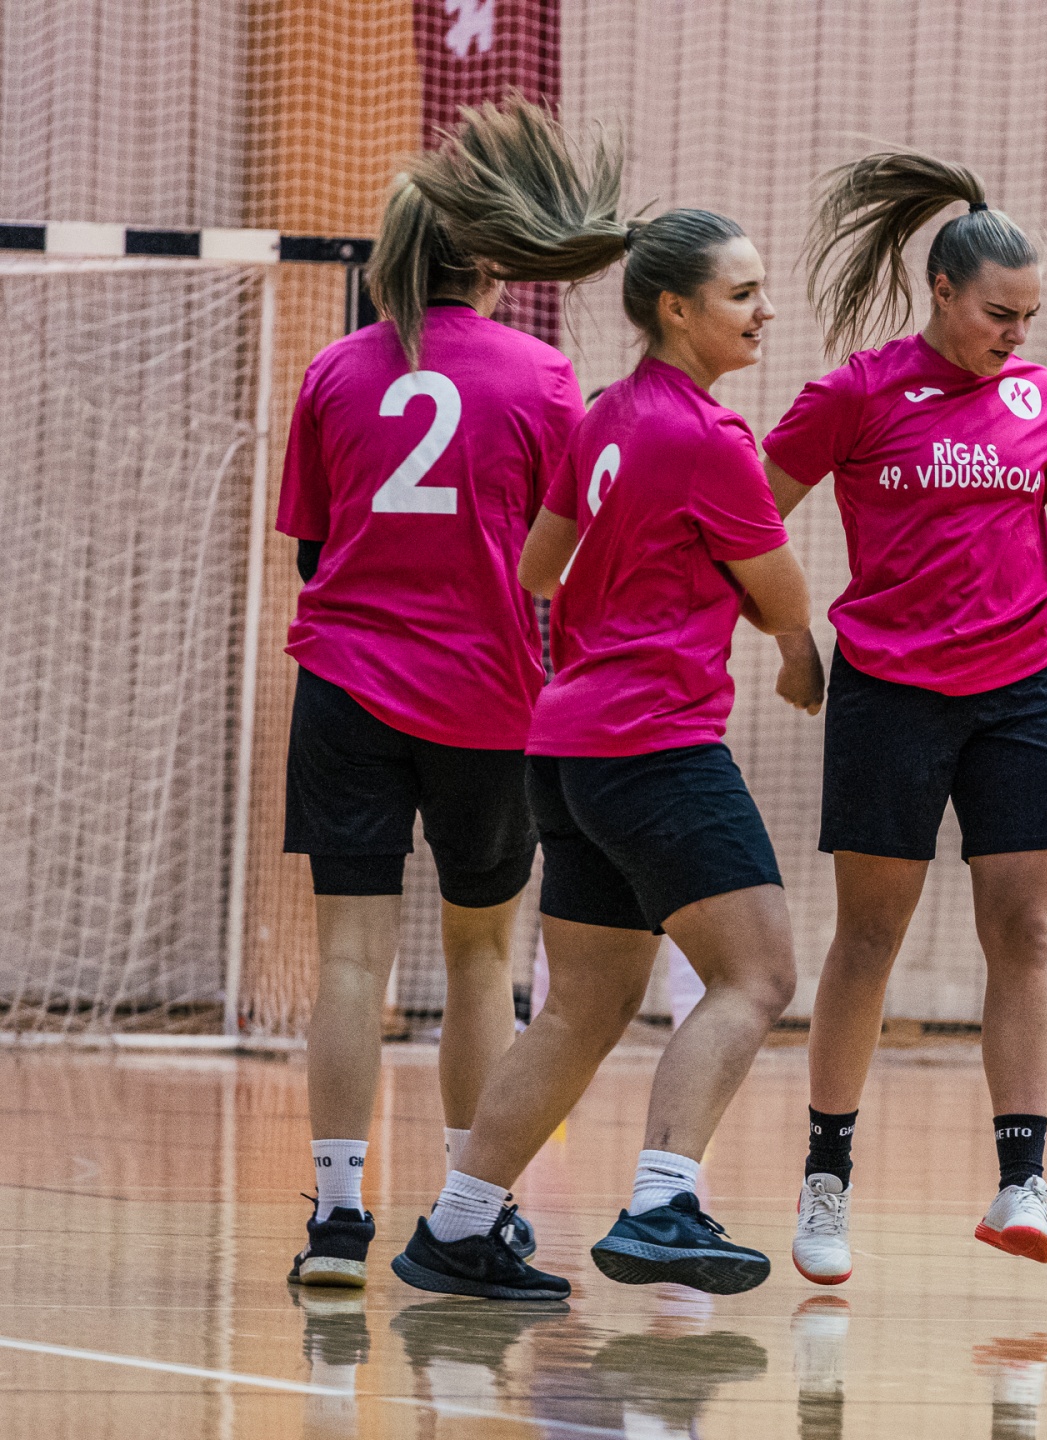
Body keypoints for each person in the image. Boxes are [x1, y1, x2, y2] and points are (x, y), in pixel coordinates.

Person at [389, 119, 821, 1304]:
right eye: (742, 293)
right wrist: (788, 644)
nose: (764, 312)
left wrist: (650, 570)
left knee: (583, 1004)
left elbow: (539, 570)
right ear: (676, 309)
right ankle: (663, 1203)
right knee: (758, 976)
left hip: (565, 747)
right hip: (656, 743)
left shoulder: (604, 417)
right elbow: (785, 598)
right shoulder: (712, 438)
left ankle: (458, 1229)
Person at [762, 149, 1047, 1285]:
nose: (1016, 336)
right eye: (998, 314)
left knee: (1024, 932)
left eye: (1030, 318)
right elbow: (747, 516)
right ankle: (826, 1179)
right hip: (889, 694)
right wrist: (792, 642)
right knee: (869, 940)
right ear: (941, 291)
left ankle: (1023, 1180)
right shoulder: (857, 392)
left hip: (1019, 693)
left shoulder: (1038, 398)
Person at [277, 100, 623, 1287]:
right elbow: (567, 549)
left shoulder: (332, 371)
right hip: (488, 698)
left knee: (348, 961)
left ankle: (335, 1220)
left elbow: (314, 551)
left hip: (344, 690)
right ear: (491, 257)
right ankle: (472, 1215)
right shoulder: (543, 376)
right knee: (481, 958)